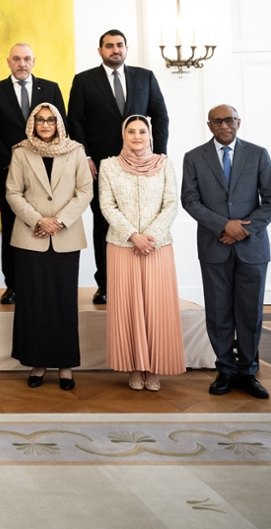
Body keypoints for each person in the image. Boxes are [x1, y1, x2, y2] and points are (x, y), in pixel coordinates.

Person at [181, 105, 271, 400]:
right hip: (215, 245)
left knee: (250, 313)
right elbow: (190, 200)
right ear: (209, 125)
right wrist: (224, 225)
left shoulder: (258, 154)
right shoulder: (194, 157)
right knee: (218, 311)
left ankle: (248, 371)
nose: (224, 125)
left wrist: (244, 229)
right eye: (218, 120)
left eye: (230, 119)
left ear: (239, 122)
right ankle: (225, 369)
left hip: (252, 246)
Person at [68, 30, 169, 305]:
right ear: (100, 50)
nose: (115, 50)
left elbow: (160, 115)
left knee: (142, 220)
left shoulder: (144, 77)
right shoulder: (84, 80)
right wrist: (85, 156)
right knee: (104, 223)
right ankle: (106, 284)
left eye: (120, 45)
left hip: (141, 165)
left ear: (126, 48)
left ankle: (139, 280)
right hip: (100, 166)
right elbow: (75, 120)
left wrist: (159, 155)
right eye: (109, 46)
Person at [5, 105, 92, 391]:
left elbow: (85, 191)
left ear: (58, 123)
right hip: (31, 237)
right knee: (33, 303)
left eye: (50, 119)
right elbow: (13, 192)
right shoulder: (21, 152)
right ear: (32, 123)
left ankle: (65, 365)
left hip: (65, 237)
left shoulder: (75, 150)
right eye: (40, 120)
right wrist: (38, 220)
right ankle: (37, 363)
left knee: (63, 302)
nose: (45, 124)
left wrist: (60, 221)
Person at [98, 115, 184, 391]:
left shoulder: (165, 164)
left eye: (142, 131)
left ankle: (154, 367)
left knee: (156, 308)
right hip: (123, 246)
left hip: (157, 247)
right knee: (129, 307)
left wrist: (150, 237)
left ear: (150, 135)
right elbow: (107, 206)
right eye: (131, 131)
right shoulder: (109, 165)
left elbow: (171, 203)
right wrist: (133, 236)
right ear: (123, 135)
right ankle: (134, 367)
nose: (137, 136)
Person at [0, 43, 66, 304]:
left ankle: (43, 284)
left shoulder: (50, 88)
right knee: (13, 228)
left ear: (34, 61)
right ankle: (14, 285)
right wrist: (11, 162)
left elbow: (60, 127)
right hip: (10, 172)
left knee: (46, 224)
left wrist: (44, 162)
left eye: (26, 58)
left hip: (47, 173)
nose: (22, 63)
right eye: (16, 59)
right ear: (8, 62)